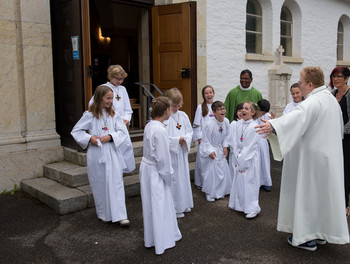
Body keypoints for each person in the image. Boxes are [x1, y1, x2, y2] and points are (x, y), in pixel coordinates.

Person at [255, 67, 349, 251]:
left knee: (309, 195)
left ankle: (306, 237)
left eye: (301, 82)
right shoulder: (330, 99)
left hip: (312, 160)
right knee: (321, 195)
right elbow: (338, 129)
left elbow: (297, 118)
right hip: (328, 158)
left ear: (310, 84)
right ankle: (320, 232)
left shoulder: (312, 101)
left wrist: (273, 126)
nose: (299, 85)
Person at [71, 85, 135, 226]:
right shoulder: (89, 115)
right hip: (97, 153)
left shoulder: (114, 115)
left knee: (116, 183)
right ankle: (104, 213)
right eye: (108, 98)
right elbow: (76, 131)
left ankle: (120, 215)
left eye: (112, 98)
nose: (111, 101)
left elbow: (123, 132)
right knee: (99, 183)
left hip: (112, 152)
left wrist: (111, 136)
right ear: (99, 98)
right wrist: (90, 139)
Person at [139, 96, 182, 255]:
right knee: (159, 203)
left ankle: (152, 237)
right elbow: (163, 158)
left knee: (151, 204)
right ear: (166, 110)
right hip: (156, 171)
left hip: (147, 168)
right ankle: (161, 240)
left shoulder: (150, 126)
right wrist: (168, 176)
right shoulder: (160, 130)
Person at [164, 88, 194, 218]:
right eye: (174, 106)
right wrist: (177, 140)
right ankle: (175, 207)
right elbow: (163, 136)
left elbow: (190, 131)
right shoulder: (165, 117)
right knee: (175, 179)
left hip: (181, 152)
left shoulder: (183, 115)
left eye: (179, 105)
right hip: (171, 153)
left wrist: (186, 139)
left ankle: (184, 203)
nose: (177, 108)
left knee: (183, 177)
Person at [228, 101, 261, 219]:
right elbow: (234, 140)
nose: (243, 110)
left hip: (249, 159)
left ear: (253, 113)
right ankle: (240, 204)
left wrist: (242, 160)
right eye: (242, 108)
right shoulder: (239, 124)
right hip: (239, 156)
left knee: (250, 183)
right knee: (240, 182)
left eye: (247, 109)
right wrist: (236, 155)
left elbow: (250, 146)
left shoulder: (254, 126)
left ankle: (252, 208)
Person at [200, 101, 231, 202]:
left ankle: (221, 191)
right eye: (219, 109)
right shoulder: (209, 124)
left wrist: (225, 146)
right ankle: (210, 192)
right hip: (212, 148)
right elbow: (205, 140)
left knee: (222, 170)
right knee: (211, 172)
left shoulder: (226, 121)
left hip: (220, 148)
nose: (223, 111)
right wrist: (210, 151)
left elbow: (227, 136)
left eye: (223, 108)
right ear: (214, 112)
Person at [329, 66, 350, 217]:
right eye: (334, 76)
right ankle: (335, 201)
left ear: (347, 78)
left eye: (339, 76)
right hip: (333, 137)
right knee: (335, 170)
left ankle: (345, 205)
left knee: (346, 170)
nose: (336, 79)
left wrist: (341, 131)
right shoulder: (331, 94)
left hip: (347, 138)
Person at [192, 85, 215, 189]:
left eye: (210, 92)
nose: (209, 95)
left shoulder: (216, 106)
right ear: (203, 95)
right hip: (204, 139)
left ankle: (213, 182)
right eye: (206, 93)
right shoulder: (200, 107)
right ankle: (201, 182)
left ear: (213, 93)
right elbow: (196, 124)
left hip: (214, 138)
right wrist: (199, 138)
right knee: (203, 161)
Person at [257, 99, 274, 192]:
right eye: (261, 111)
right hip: (255, 141)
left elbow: (272, 126)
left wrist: (273, 121)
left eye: (264, 112)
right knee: (257, 162)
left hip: (263, 141)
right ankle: (258, 182)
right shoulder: (254, 116)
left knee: (265, 161)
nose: (262, 114)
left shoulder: (267, 116)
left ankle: (267, 182)